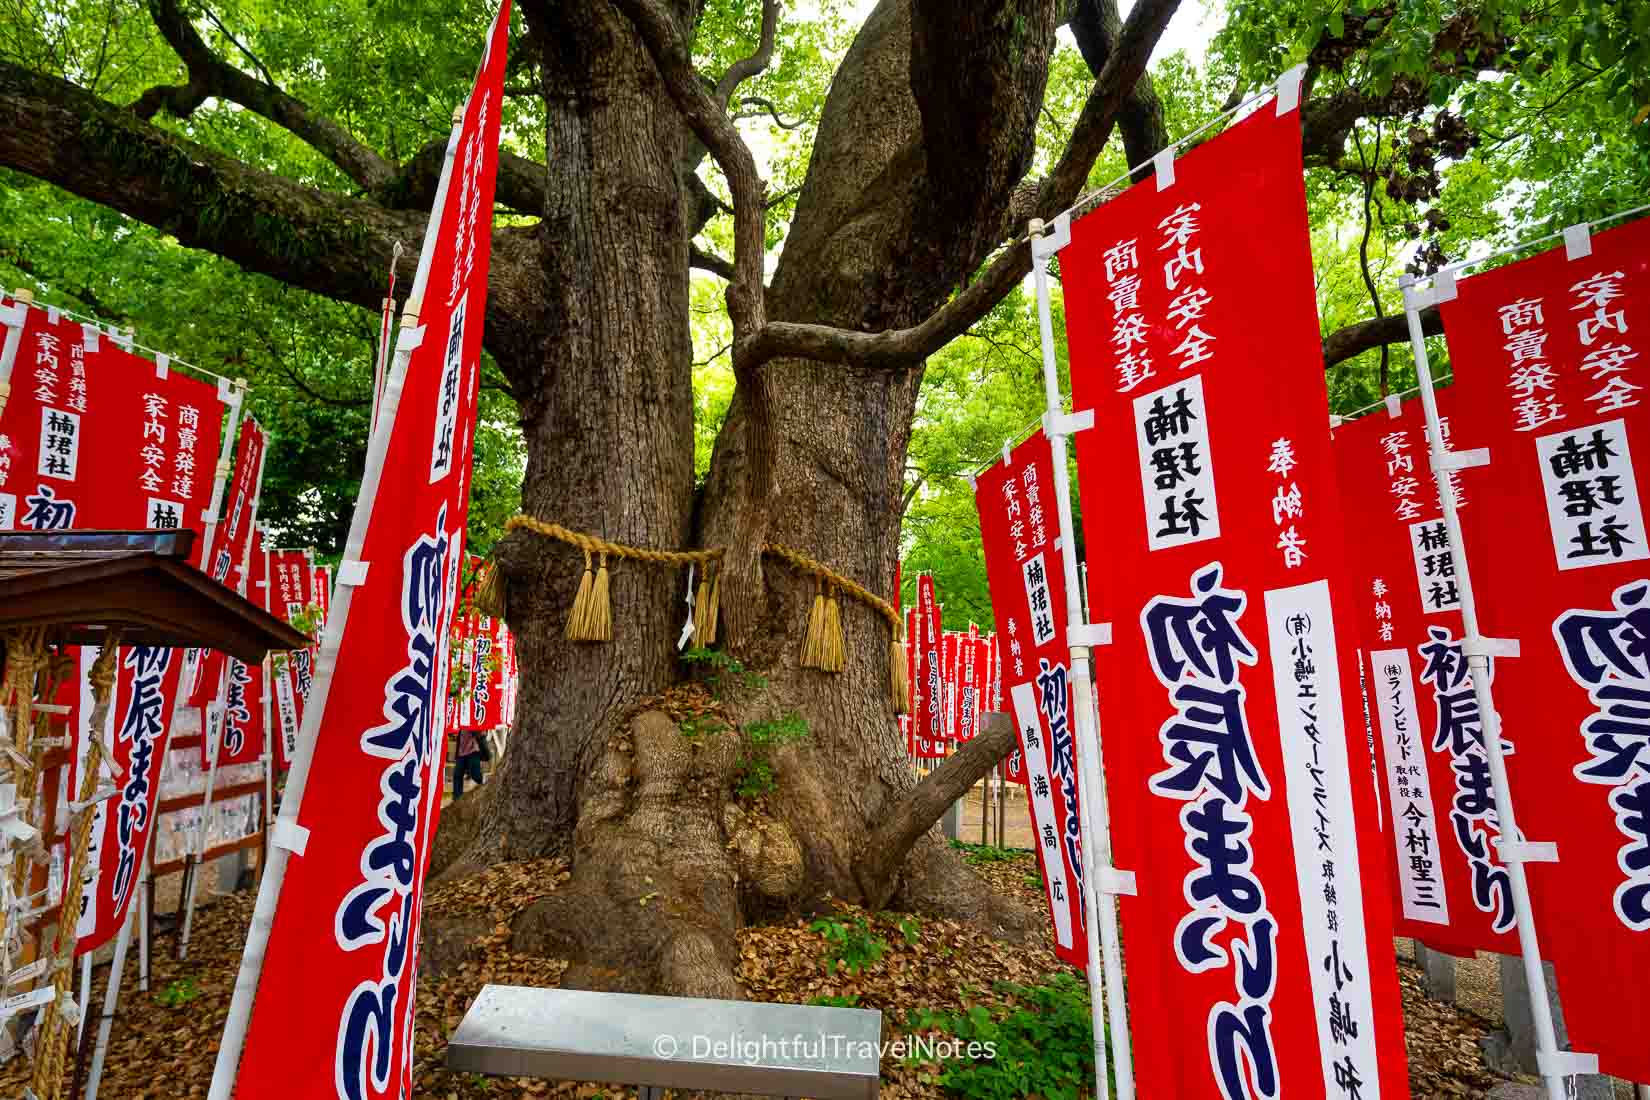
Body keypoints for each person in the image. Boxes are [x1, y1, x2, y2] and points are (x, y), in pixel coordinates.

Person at [453, 727, 485, 799]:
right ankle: (457, 799)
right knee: (457, 775)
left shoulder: (474, 720)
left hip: (473, 751)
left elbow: (482, 734)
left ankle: (482, 793)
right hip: (461, 753)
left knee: (476, 775)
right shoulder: (460, 721)